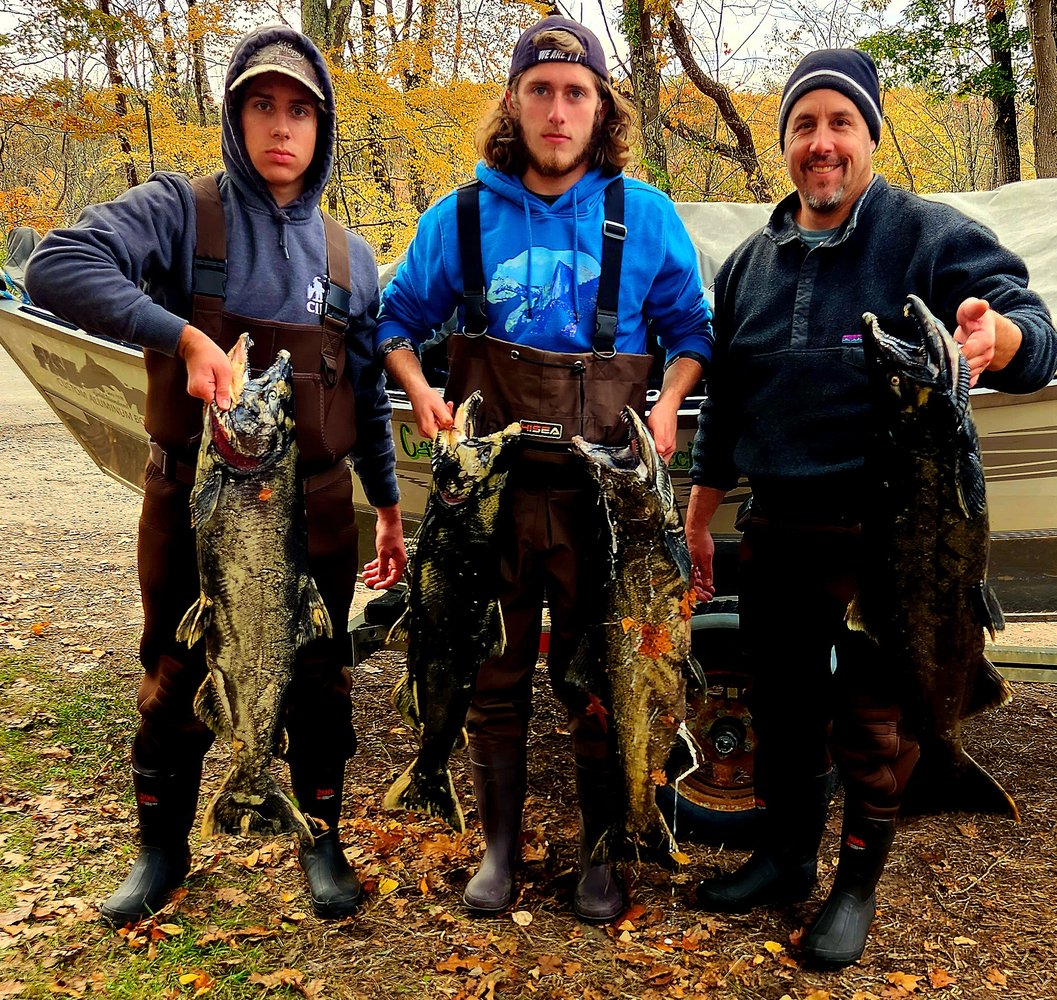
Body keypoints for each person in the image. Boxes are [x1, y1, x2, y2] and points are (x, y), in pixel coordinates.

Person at [25, 25, 407, 925]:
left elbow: (365, 398)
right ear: (236, 117)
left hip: (316, 507)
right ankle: (162, 849)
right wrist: (181, 334)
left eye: (300, 110)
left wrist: (386, 504)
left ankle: (321, 840)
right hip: (193, 501)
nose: (281, 127)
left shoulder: (352, 260)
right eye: (261, 106)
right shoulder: (179, 211)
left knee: (318, 671)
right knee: (174, 663)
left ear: (323, 128)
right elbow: (55, 265)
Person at [685, 48, 1057, 968]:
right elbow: (724, 405)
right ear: (784, 145)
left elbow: (1036, 337)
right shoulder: (745, 269)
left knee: (872, 720)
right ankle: (780, 859)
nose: (821, 143)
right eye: (803, 125)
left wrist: (999, 336)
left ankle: (854, 884)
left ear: (870, 136)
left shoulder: (927, 238)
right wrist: (699, 510)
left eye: (838, 123)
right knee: (779, 703)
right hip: (772, 524)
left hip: (887, 531)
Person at [376, 15, 713, 922]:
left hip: (607, 500)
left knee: (601, 671)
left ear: (599, 106)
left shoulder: (641, 215)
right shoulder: (461, 216)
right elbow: (395, 323)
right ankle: (495, 850)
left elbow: (691, 334)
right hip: (490, 498)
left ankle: (603, 855)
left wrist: (671, 402)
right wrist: (421, 390)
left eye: (575, 92)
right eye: (541, 90)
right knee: (495, 669)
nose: (557, 110)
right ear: (514, 102)